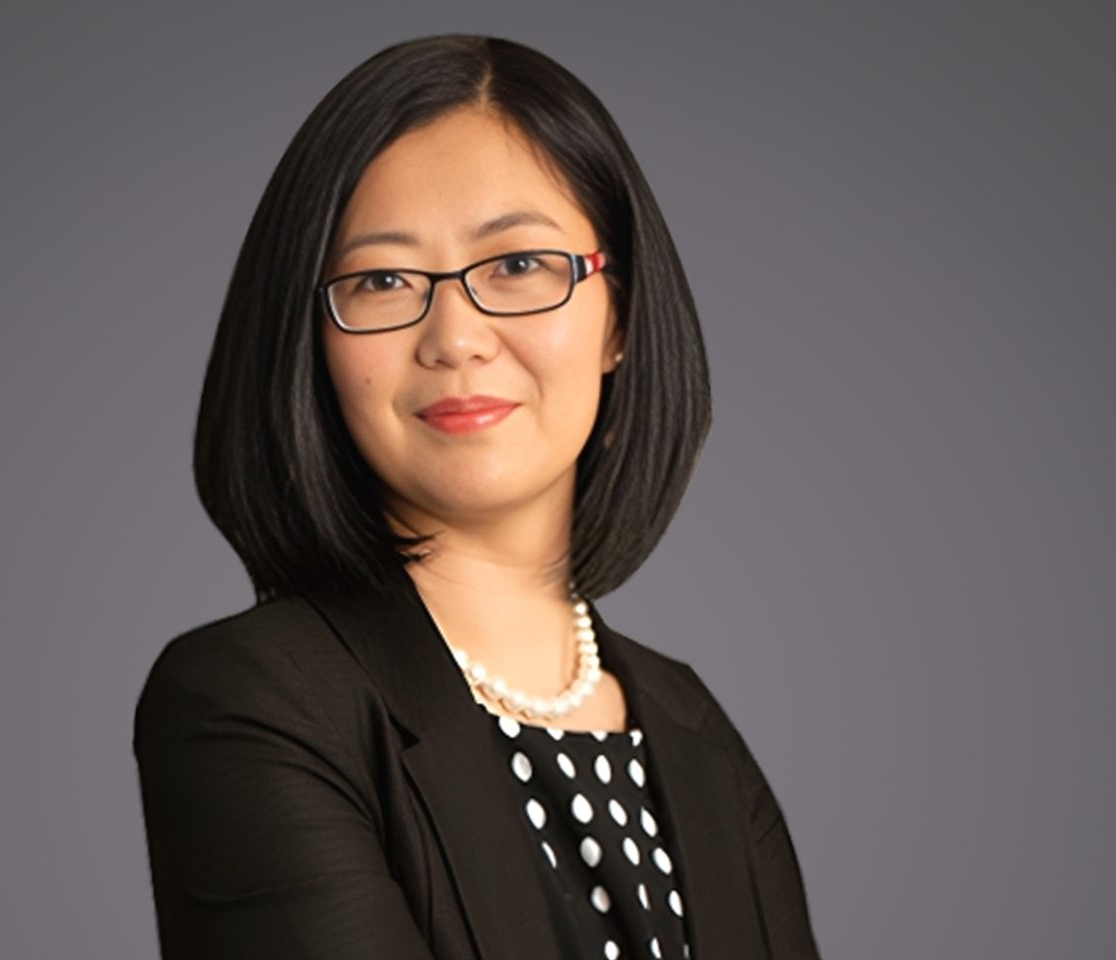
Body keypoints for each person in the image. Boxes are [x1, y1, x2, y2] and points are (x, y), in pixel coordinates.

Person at [132, 33, 821, 960]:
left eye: (519, 266)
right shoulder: (252, 702)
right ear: (313, 343)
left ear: (618, 316)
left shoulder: (695, 731)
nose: (455, 337)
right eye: (381, 280)